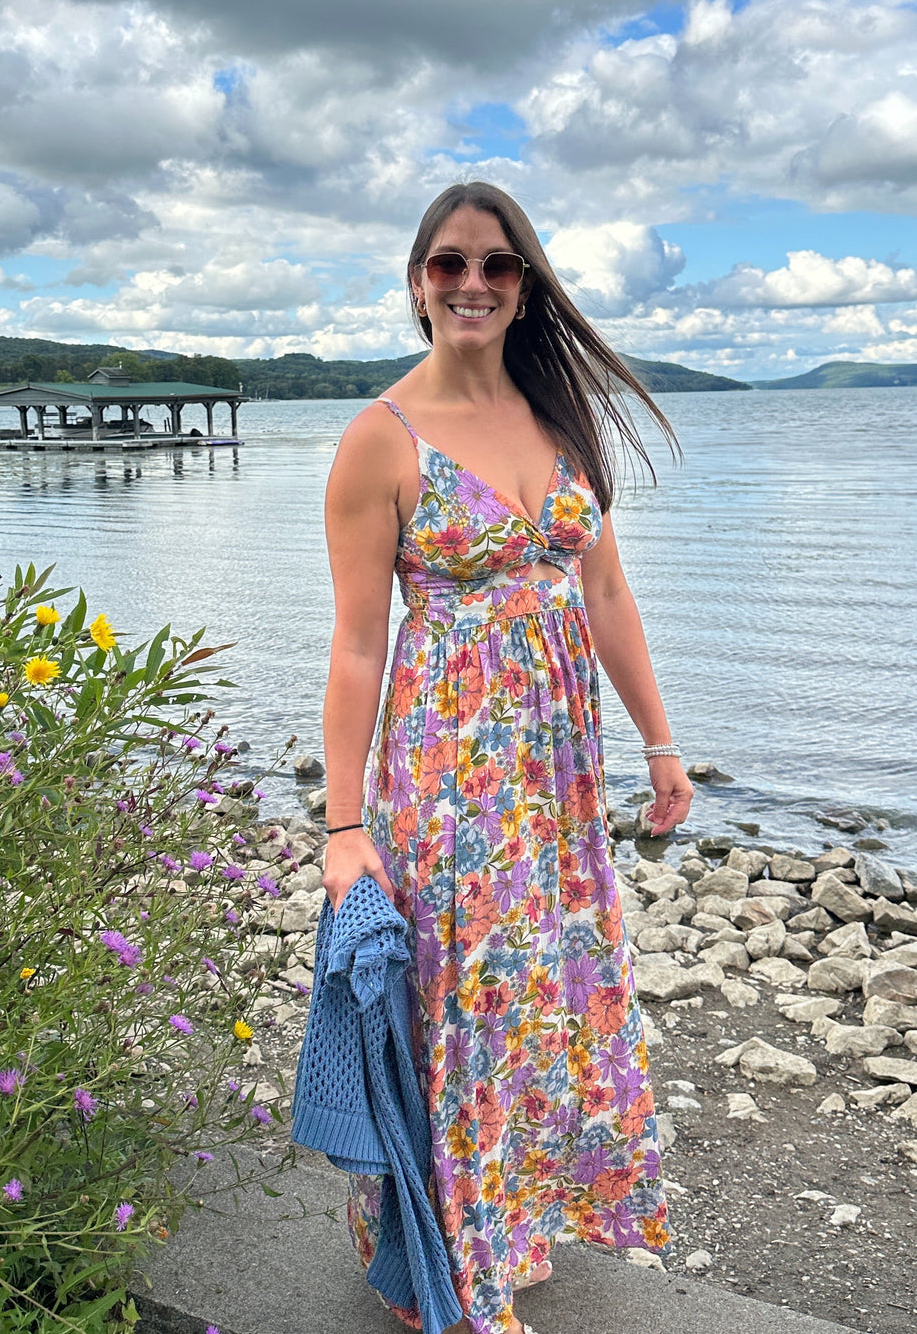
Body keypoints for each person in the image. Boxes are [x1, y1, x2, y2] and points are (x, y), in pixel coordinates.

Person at [319, 180, 692, 1334]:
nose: (471, 283)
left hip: (562, 776)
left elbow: (607, 589)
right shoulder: (380, 439)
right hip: (448, 777)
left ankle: (506, 1218)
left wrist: (661, 741)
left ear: (525, 287)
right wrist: (343, 829)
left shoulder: (558, 421)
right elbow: (354, 646)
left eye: (494, 264)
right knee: (463, 1007)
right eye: (448, 265)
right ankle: (449, 1278)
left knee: (549, 996)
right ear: (417, 285)